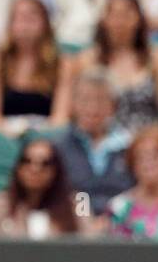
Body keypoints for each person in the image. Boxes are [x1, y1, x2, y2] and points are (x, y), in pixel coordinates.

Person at [70, 0, 158, 134]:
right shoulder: (86, 59)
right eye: (113, 14)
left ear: (139, 19)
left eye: (127, 14)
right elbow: (74, 111)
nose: (120, 21)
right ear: (103, 19)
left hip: (145, 140)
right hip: (99, 138)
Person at [0, 0, 71, 138]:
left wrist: (37, 139)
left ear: (45, 24)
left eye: (32, 18)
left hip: (46, 140)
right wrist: (13, 133)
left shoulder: (62, 64)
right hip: (3, 137)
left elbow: (61, 120)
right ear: (10, 24)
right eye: (20, 18)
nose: (25, 25)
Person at [55, 68, 135, 224]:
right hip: (74, 225)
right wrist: (85, 218)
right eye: (85, 100)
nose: (92, 108)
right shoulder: (59, 147)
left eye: (100, 100)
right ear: (73, 104)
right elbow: (70, 193)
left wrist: (110, 218)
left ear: (114, 105)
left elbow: (138, 193)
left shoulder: (130, 145)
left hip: (124, 224)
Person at [0, 138, 85, 238]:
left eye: (45, 163)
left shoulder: (79, 202)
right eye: (27, 161)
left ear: (56, 170)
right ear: (18, 168)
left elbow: (90, 245)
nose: (35, 169)